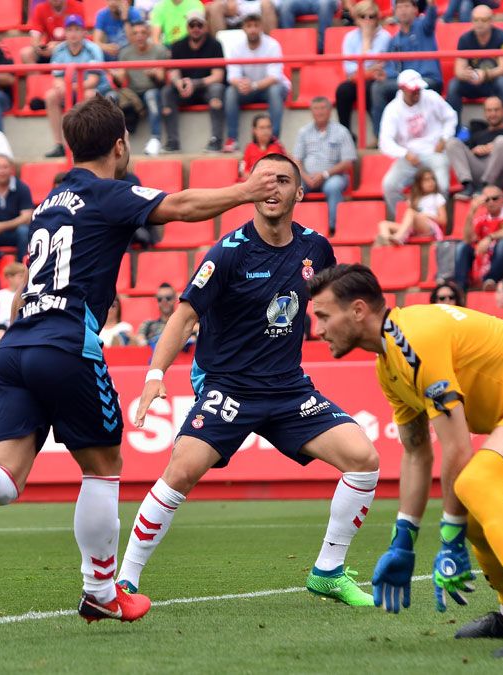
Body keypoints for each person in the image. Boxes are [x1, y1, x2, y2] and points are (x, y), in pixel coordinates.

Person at [0, 97, 281, 624]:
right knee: (104, 467)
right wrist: (246, 191)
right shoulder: (108, 193)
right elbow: (180, 207)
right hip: (66, 344)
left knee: (6, 479)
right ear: (119, 144)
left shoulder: (49, 200)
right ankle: (101, 591)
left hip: (14, 345)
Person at [120, 152, 380, 605]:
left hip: (288, 388)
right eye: (264, 180)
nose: (273, 188)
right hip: (229, 387)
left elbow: (332, 304)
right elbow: (183, 318)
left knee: (364, 459)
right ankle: (124, 581)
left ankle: (328, 571)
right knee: (180, 471)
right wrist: (155, 374)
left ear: (299, 193)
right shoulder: (228, 253)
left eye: (283, 180)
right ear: (252, 191)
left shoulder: (316, 248)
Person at [309, 263, 503, 657]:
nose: (319, 329)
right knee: (478, 512)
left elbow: (458, 447)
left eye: (324, 316)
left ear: (358, 310)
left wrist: (448, 536)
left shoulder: (412, 339)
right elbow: (415, 451)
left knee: (474, 484)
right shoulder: (389, 364)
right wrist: (403, 540)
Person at [378, 69, 456, 217]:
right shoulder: (392, 109)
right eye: (412, 90)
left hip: (434, 152)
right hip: (409, 156)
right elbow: (385, 142)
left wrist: (444, 138)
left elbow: (450, 117)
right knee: (389, 185)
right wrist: (405, 153)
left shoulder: (431, 97)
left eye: (418, 89)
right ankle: (406, 219)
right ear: (402, 89)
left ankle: (436, 220)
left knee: (443, 184)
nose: (417, 93)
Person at [43, 15, 111, 158]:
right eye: (70, 30)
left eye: (77, 29)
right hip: (71, 89)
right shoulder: (59, 50)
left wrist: (69, 87)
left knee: (88, 96)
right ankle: (59, 144)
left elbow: (93, 81)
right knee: (51, 96)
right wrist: (63, 87)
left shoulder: (93, 49)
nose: (73, 33)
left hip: (96, 91)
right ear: (65, 33)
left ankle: (86, 144)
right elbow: (57, 78)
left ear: (84, 32)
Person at [371, 0, 440, 136]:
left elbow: (431, 16)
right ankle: (382, 137)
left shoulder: (423, 26)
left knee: (411, 89)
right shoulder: (394, 40)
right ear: (395, 11)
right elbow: (394, 68)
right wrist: (385, 74)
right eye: (399, 7)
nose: (403, 10)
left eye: (407, 6)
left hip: (428, 79)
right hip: (406, 83)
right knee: (378, 87)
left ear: (415, 10)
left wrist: (431, 5)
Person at [223, 9, 290, 149]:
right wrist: (241, 84)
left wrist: (252, 85)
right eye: (249, 26)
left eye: (256, 25)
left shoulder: (272, 44)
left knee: (275, 90)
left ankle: (274, 140)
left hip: (268, 89)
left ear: (261, 27)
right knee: (230, 92)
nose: (252, 29)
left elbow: (274, 77)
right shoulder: (236, 47)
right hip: (248, 89)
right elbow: (232, 76)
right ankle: (232, 139)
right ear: (243, 28)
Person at [161, 11, 225, 153]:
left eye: (199, 25)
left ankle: (216, 139)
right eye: (192, 25)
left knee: (217, 90)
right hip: (185, 90)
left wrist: (195, 83)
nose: (196, 28)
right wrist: (179, 83)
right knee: (167, 92)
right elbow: (173, 71)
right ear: (187, 27)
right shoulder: (177, 45)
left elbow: (218, 76)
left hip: (205, 89)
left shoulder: (215, 45)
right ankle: (172, 142)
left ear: (205, 26)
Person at [294, 97, 357, 235]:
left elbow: (348, 162)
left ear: (330, 111)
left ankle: (333, 228)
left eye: (323, 108)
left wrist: (324, 174)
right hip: (307, 177)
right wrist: (305, 176)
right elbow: (297, 160)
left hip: (334, 176)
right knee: (292, 188)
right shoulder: (304, 132)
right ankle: (291, 228)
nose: (319, 112)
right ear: (311, 111)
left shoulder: (341, 131)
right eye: (316, 109)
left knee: (332, 187)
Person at [447, 7, 503, 128]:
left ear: (491, 21)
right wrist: (466, 74)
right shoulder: (465, 39)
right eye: (475, 20)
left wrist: (485, 74)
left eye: (483, 20)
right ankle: (454, 129)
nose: (479, 23)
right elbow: (458, 70)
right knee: (454, 85)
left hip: (495, 82)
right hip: (475, 82)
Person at [447, 97, 503, 200]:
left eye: (496, 110)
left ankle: (486, 185)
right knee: (452, 142)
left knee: (502, 141)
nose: (493, 114)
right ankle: (467, 185)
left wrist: (499, 147)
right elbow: (466, 157)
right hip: (480, 173)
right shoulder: (478, 135)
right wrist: (475, 151)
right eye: (489, 110)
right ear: (485, 113)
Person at [450, 186, 503, 292]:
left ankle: (491, 280)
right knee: (462, 247)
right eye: (487, 199)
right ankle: (460, 287)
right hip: (489, 262)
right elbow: (467, 239)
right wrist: (471, 211)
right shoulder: (481, 219)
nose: (491, 202)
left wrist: (490, 237)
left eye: (495, 198)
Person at [335, 0, 391, 137]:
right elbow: (349, 70)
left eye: (371, 16)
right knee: (342, 91)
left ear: (377, 18)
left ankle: (380, 134)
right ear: (356, 19)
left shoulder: (385, 37)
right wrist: (368, 69)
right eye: (363, 17)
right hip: (357, 80)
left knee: (369, 88)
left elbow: (380, 67)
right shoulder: (350, 37)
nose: (367, 20)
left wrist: (366, 40)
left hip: (375, 81)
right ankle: (346, 136)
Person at [113, 20, 170, 156]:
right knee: (112, 96)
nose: (139, 36)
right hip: (133, 93)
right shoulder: (125, 53)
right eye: (135, 33)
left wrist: (154, 74)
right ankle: (112, 140)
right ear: (131, 36)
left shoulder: (159, 51)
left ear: (149, 34)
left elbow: (162, 80)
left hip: (153, 91)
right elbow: (120, 82)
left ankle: (155, 139)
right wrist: (116, 76)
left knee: (151, 95)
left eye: (143, 32)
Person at [375, 168, 446, 246]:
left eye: (432, 179)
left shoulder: (437, 197)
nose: (431, 182)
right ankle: (388, 243)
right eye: (426, 180)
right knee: (383, 224)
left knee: (410, 212)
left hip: (428, 226)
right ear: (419, 184)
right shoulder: (416, 199)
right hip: (413, 228)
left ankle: (399, 238)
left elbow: (443, 220)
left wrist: (428, 216)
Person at [20, 0, 86, 64]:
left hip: (70, 48)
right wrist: (39, 48)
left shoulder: (77, 6)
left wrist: (59, 46)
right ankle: (36, 76)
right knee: (26, 53)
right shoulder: (40, 8)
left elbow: (80, 36)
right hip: (49, 50)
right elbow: (35, 34)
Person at [239, 114, 286, 178]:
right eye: (262, 127)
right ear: (254, 130)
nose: (266, 131)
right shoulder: (249, 148)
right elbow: (244, 172)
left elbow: (283, 171)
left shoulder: (277, 147)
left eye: (268, 127)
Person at [205, 0, 277, 36]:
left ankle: (270, 49)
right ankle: (219, 51)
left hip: (258, 4)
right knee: (214, 8)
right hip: (234, 8)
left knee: (267, 6)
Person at [0, 262, 27, 327]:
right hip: (0, 326)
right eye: (20, 276)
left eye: (24, 276)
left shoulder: (25, 294)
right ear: (10, 277)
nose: (23, 279)